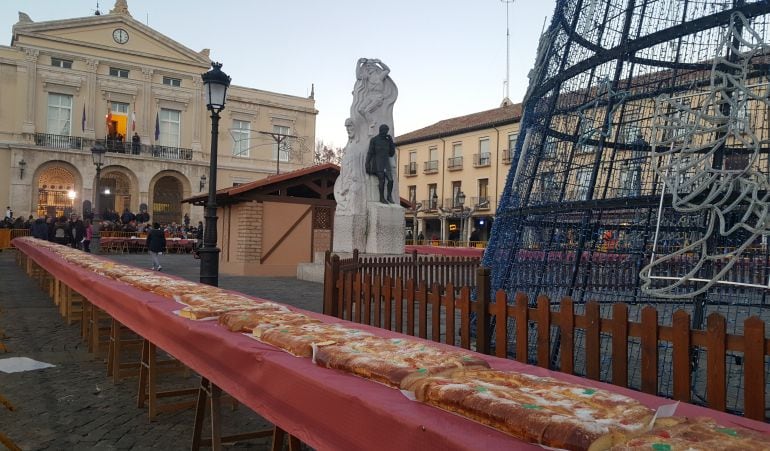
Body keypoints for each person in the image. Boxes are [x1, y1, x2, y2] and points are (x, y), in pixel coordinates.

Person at [365, 124, 396, 204]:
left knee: (391, 180)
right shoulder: (374, 140)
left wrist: (391, 141)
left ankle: (389, 196)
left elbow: (391, 153)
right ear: (381, 131)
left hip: (386, 163)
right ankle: (382, 198)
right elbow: (370, 153)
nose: (386, 133)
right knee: (381, 180)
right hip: (378, 163)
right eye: (385, 131)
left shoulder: (387, 140)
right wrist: (367, 163)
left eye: (387, 132)